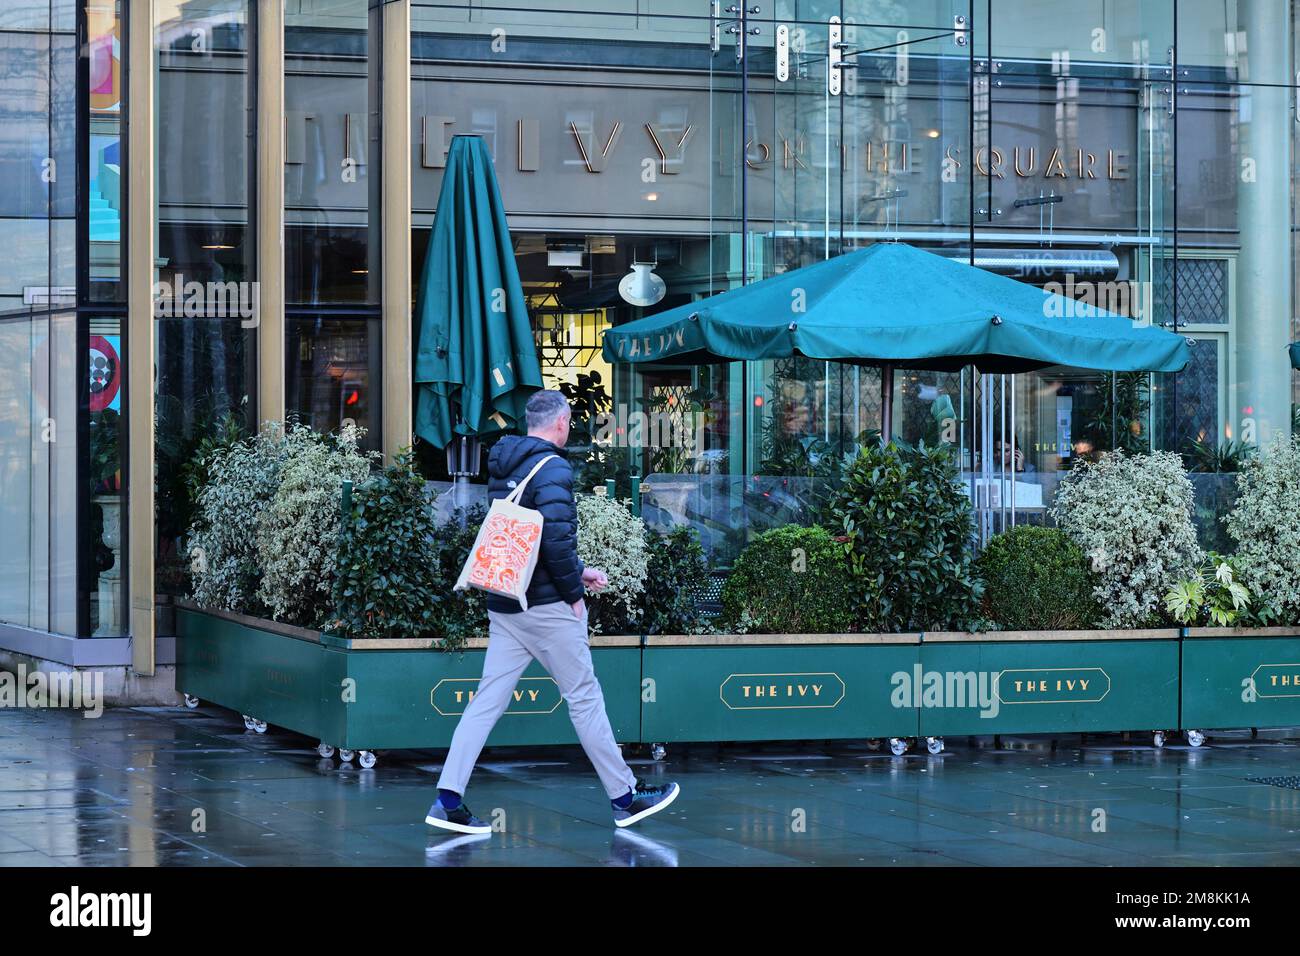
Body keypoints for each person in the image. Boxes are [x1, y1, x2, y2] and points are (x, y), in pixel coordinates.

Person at [426, 389, 680, 835]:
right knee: (584, 698)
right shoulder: (555, 467)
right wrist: (573, 593)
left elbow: (525, 536)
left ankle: (448, 799)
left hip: (506, 600)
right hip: (546, 607)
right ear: (561, 423)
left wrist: (580, 572)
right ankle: (625, 798)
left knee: (487, 700)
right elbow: (556, 541)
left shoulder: (502, 461)